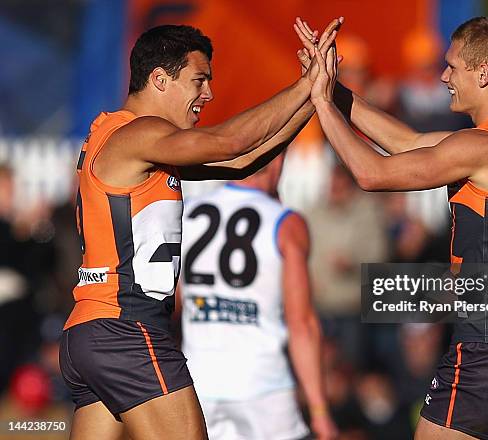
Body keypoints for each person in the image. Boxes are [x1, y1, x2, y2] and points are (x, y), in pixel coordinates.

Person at [59, 20, 341, 440]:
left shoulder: (138, 143)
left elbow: (243, 160)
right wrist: (305, 85)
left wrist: (318, 96)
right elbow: (229, 142)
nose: (207, 93)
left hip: (91, 333)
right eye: (199, 80)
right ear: (159, 79)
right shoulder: (140, 133)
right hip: (128, 330)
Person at [297, 16, 488, 439]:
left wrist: (320, 104)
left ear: (485, 74)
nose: (444, 77)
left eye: (453, 67)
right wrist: (332, 86)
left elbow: (370, 174)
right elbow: (404, 142)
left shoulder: (483, 146)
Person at [180, 153, 337, 439]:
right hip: (263, 384)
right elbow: (301, 324)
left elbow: (173, 302)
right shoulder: (286, 222)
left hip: (198, 380)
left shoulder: (187, 211)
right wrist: (319, 411)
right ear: (277, 164)